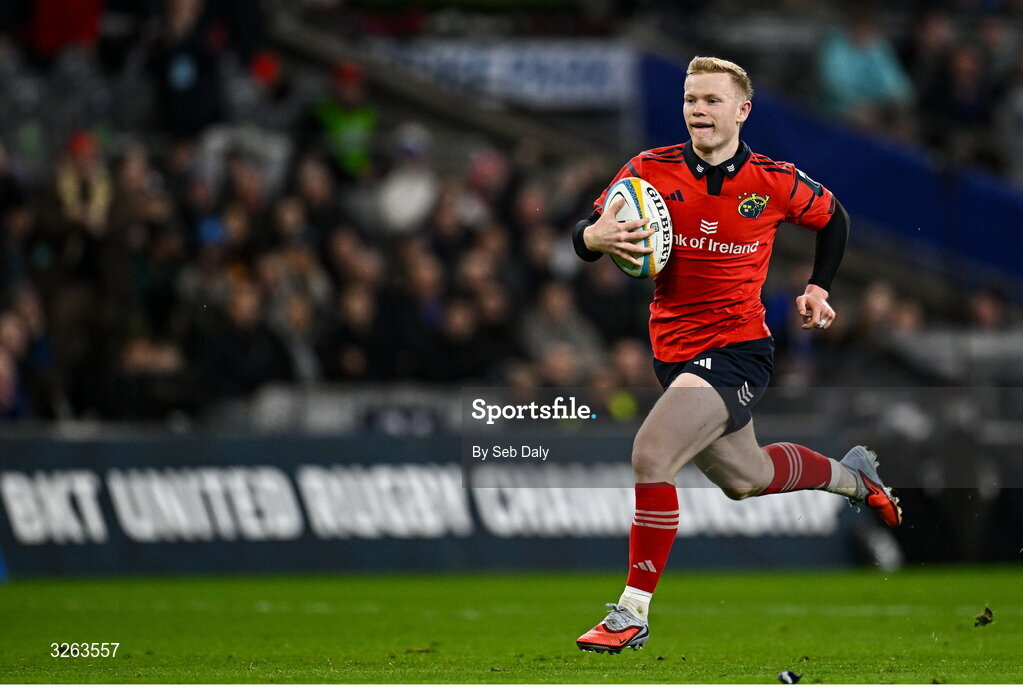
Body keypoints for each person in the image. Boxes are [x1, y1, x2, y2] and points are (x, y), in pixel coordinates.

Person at [571, 56, 901, 654]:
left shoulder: (773, 182)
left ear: (742, 111)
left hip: (737, 347)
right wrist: (592, 237)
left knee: (650, 454)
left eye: (712, 100)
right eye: (691, 99)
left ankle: (631, 612)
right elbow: (591, 231)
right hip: (673, 351)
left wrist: (818, 287)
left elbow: (835, 220)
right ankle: (853, 477)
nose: (698, 109)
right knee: (746, 480)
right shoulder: (648, 172)